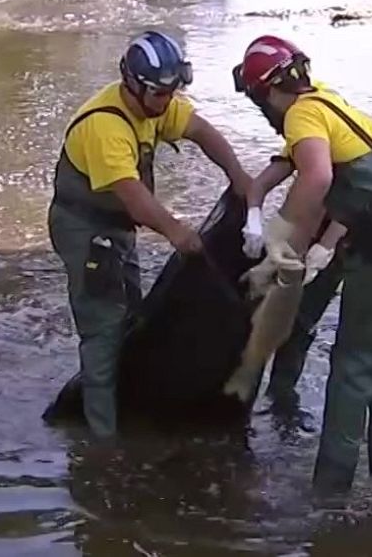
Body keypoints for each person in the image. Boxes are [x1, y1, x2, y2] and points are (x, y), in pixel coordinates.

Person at [235, 34, 372, 493]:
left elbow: (317, 178)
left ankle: (329, 497)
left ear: (264, 93)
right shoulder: (327, 100)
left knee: (353, 365)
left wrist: (279, 240)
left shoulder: (300, 113)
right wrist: (312, 246)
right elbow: (334, 182)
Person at [49, 30, 253, 439]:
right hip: (86, 230)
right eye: (161, 94)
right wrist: (177, 231)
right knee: (103, 330)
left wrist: (239, 176)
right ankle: (102, 441)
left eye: (172, 92)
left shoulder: (156, 106)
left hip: (117, 229)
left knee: (132, 315)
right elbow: (135, 198)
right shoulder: (105, 128)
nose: (168, 103)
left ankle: (126, 402)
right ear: (134, 86)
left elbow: (203, 132)